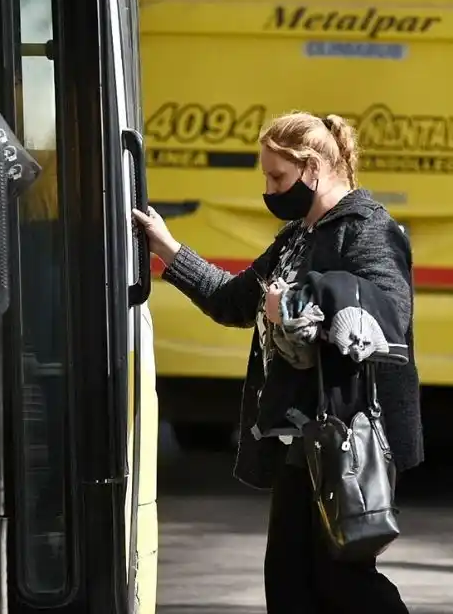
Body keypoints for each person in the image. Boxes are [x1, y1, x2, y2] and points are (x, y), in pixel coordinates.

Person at [133, 111, 422, 613]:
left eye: (278, 177)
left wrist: (296, 300)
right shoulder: (297, 237)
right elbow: (234, 300)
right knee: (288, 583)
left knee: (344, 579)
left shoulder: (367, 228)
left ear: (313, 168)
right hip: (300, 439)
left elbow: (389, 314)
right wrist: (168, 249)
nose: (269, 189)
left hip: (346, 435)